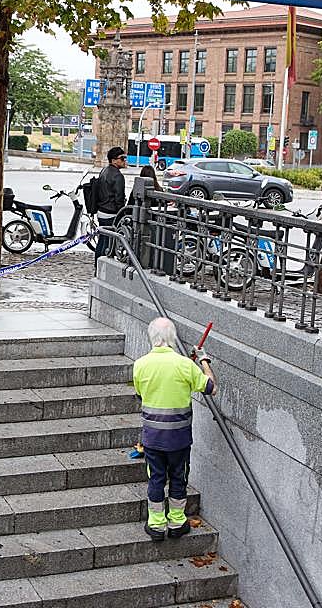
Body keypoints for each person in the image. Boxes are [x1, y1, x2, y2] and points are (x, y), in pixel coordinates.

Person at [132, 316, 217, 542]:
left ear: (151, 337)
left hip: (152, 438)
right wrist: (203, 360)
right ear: (173, 338)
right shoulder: (185, 365)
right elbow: (211, 388)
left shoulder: (140, 364)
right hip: (179, 439)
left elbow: (141, 394)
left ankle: (156, 524)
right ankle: (177, 522)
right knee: (179, 478)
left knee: (156, 479)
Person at [94, 146, 128, 261]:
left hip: (101, 211)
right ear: (114, 160)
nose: (124, 161)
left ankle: (97, 265)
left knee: (102, 240)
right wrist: (122, 214)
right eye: (122, 158)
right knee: (109, 243)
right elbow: (119, 198)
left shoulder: (104, 170)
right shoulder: (118, 176)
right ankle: (102, 267)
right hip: (111, 213)